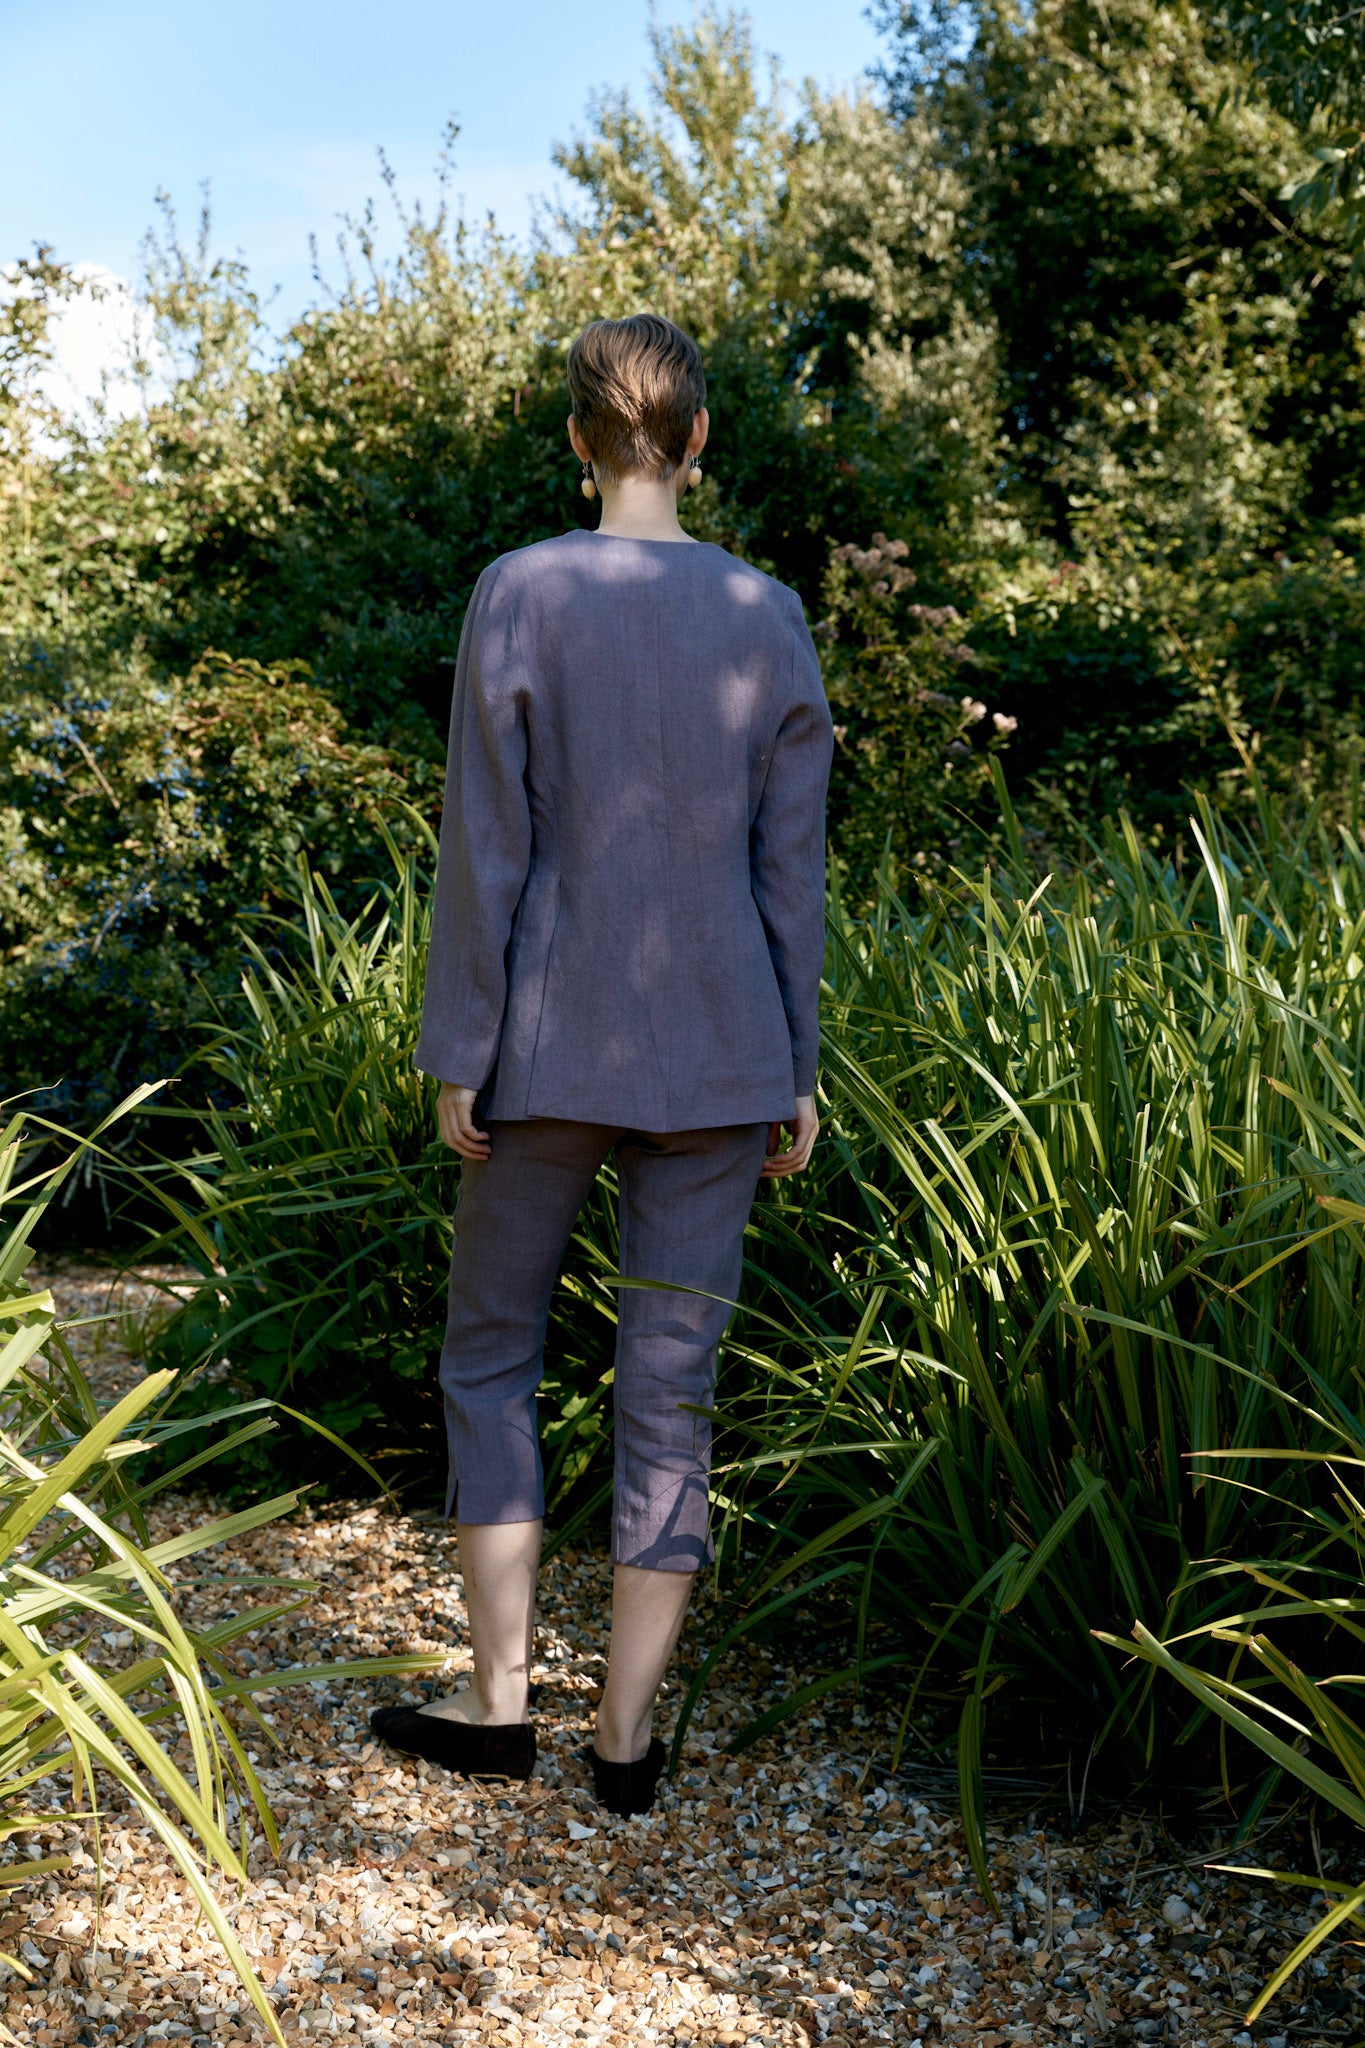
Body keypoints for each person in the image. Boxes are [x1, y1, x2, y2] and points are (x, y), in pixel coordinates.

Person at [370, 313, 834, 1816]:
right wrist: (794, 1059)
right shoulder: (767, 612)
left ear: (580, 441)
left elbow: (486, 843)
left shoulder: (521, 590)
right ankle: (625, 1744)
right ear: (697, 439)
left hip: (548, 1043)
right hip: (723, 1052)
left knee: (491, 1354)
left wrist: (461, 1044)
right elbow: (791, 870)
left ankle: (500, 1706)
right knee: (672, 1388)